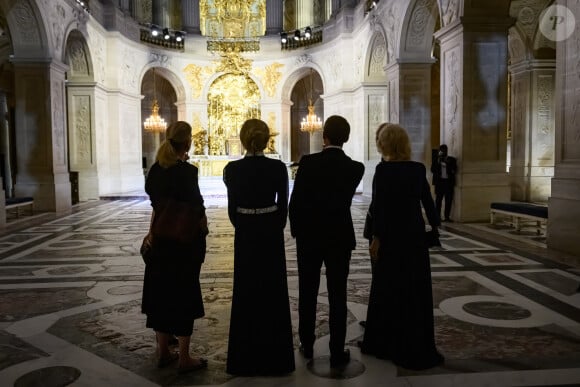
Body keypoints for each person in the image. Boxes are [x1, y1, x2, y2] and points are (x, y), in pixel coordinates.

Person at [360, 123, 444, 370]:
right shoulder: (418, 170)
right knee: (414, 289)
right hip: (414, 237)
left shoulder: (383, 171)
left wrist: (376, 238)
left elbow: (379, 209)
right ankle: (414, 340)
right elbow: (429, 205)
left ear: (383, 144)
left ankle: (385, 340)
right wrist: (435, 226)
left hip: (391, 238)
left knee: (388, 288)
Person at [289, 115, 364, 368]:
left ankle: (307, 343)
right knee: (338, 294)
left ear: (325, 137)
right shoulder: (356, 168)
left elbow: (295, 203)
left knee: (307, 292)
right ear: (347, 138)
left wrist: (298, 232)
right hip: (339, 237)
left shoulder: (308, 163)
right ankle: (336, 350)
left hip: (309, 238)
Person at [223, 119, 295, 376]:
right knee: (273, 291)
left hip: (245, 233)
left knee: (246, 291)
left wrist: (245, 223)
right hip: (270, 233)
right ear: (267, 140)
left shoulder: (232, 169)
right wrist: (273, 224)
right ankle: (276, 358)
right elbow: (284, 207)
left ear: (242, 140)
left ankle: (245, 358)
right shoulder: (277, 168)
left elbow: (232, 210)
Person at [141, 121, 209, 373]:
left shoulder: (156, 171)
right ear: (187, 142)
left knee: (160, 294)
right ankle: (183, 357)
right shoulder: (187, 172)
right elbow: (198, 208)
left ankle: (162, 352)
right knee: (183, 294)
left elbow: (156, 206)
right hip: (184, 244)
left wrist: (152, 232)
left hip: (159, 240)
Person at [431, 143, 457, 222]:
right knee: (438, 200)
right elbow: (432, 170)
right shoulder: (436, 159)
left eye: (444, 150)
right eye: (441, 150)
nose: (443, 151)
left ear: (447, 151)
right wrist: (438, 161)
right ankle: (437, 217)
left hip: (448, 183)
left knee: (448, 200)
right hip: (439, 183)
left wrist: (447, 163)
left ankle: (447, 217)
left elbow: (454, 170)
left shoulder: (451, 159)